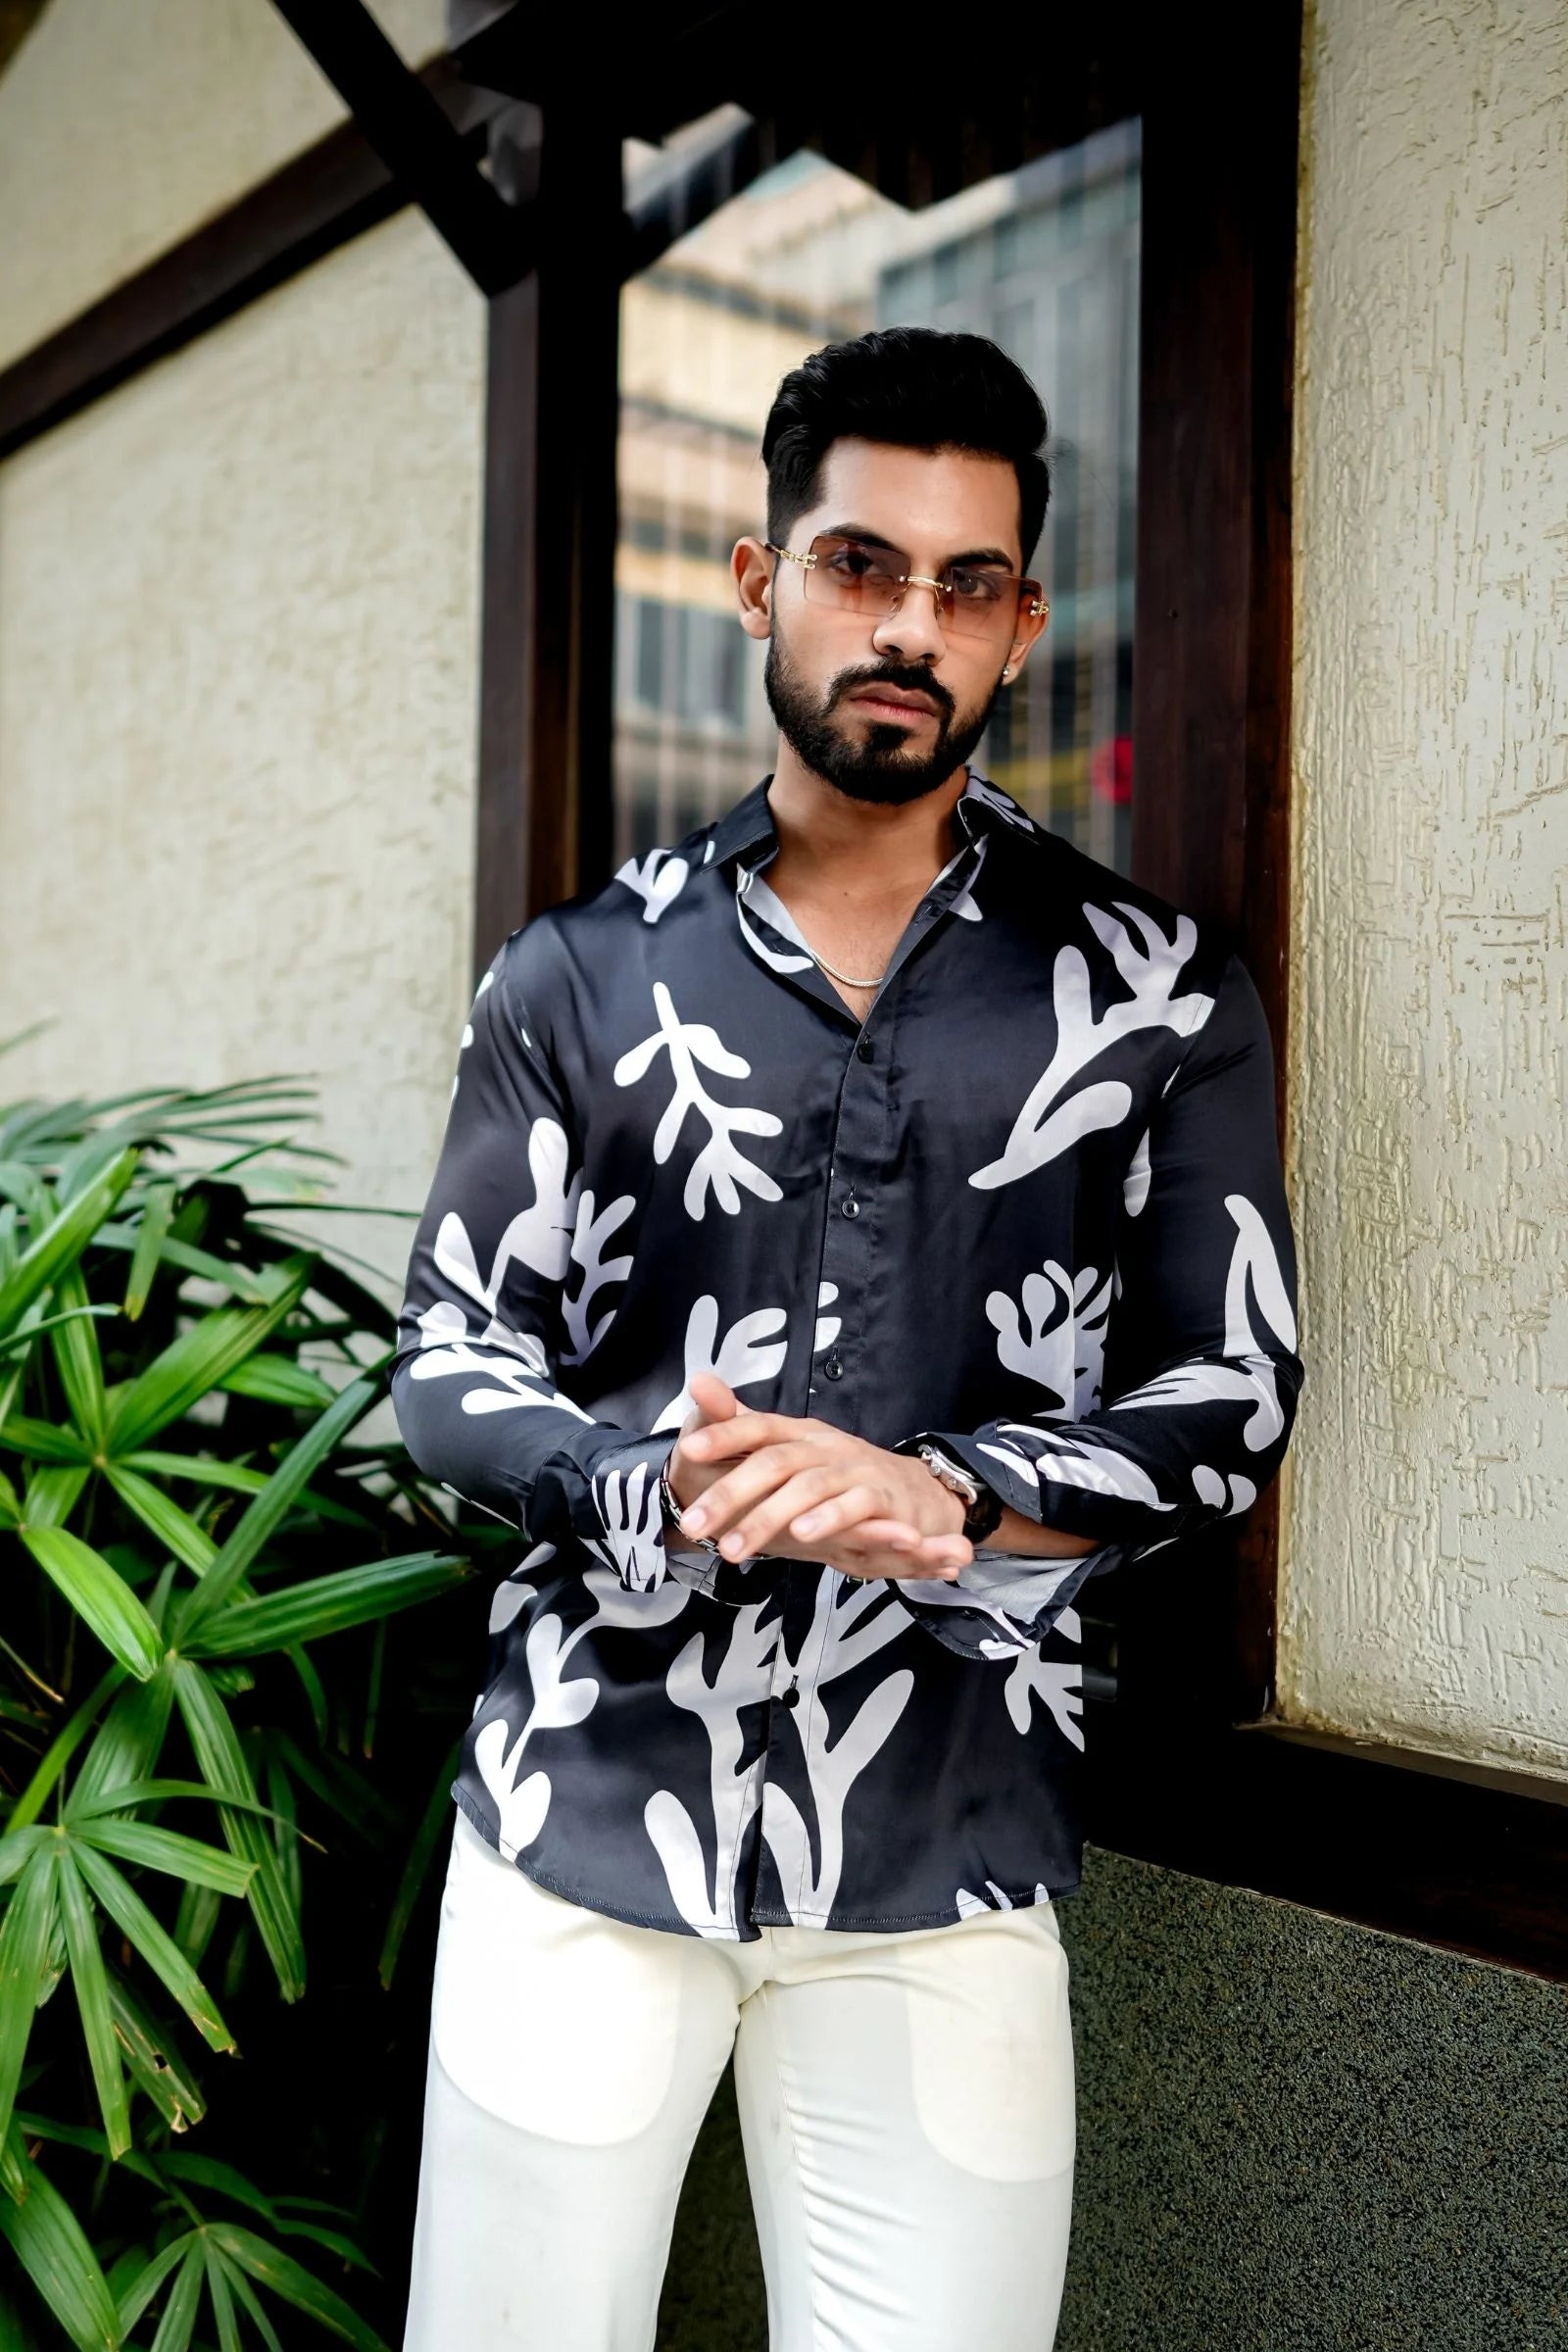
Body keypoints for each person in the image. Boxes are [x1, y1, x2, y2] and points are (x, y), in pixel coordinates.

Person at [392, 325, 1302, 2351]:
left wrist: (946, 1487)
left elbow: (1228, 1392)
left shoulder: (1150, 994)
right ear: (756, 581)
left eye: (962, 585)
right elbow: (447, 1360)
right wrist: (649, 1483)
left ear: (1019, 625)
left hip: (946, 1843)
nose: (909, 624)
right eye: (857, 564)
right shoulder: (571, 973)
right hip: (580, 1822)